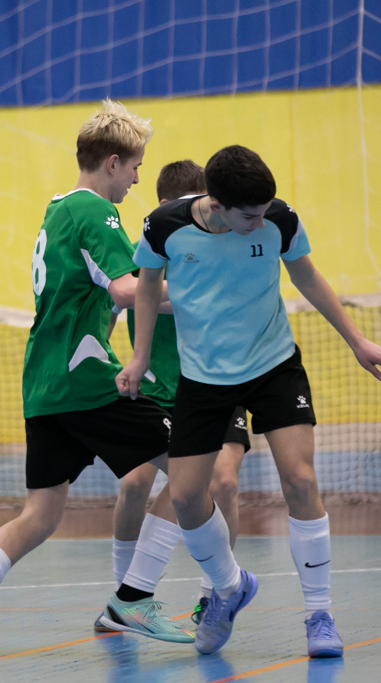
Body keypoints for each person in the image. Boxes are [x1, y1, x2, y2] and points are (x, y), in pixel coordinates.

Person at [0, 99, 192, 658]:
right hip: (87, 380)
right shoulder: (96, 210)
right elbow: (127, 289)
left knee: (40, 515)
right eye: (135, 167)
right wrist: (202, 292)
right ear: (113, 162)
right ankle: (137, 597)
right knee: (195, 467)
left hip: (44, 384)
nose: (137, 179)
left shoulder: (56, 210)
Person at [116, 145, 381, 657]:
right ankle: (228, 588)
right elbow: (147, 286)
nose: (259, 222)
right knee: (185, 497)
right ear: (216, 204)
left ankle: (319, 615)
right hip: (204, 379)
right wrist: (138, 358)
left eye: (264, 211)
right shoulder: (164, 226)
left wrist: (357, 340)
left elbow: (306, 275)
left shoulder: (279, 220)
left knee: (301, 479)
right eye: (249, 215)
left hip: (273, 367)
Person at [94, 160, 251, 633]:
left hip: (216, 385)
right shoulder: (146, 252)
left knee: (221, 482)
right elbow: (121, 300)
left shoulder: (225, 248)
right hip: (155, 390)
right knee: (133, 484)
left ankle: (213, 596)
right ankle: (124, 596)